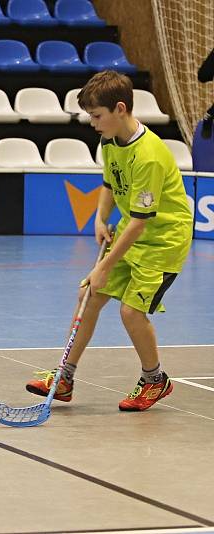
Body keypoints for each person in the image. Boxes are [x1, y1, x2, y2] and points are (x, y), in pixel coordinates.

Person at [25, 70, 193, 412]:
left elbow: (140, 225)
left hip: (163, 241)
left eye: (97, 116)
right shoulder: (109, 139)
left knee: (131, 312)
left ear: (120, 109)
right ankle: (65, 378)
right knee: (89, 296)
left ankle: (155, 380)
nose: (92, 123)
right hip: (132, 228)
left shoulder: (149, 156)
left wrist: (102, 266)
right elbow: (109, 181)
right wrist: (101, 218)